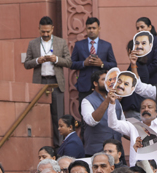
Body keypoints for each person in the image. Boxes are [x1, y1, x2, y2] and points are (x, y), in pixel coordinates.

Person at [24, 16, 72, 146]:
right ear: (39, 29)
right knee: (40, 117)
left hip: (56, 83)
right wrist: (37, 61)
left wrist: (56, 59)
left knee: (58, 118)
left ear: (52, 29)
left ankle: (59, 147)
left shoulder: (61, 42)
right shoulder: (33, 43)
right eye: (43, 32)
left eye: (48, 32)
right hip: (40, 83)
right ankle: (42, 147)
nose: (45, 34)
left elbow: (68, 61)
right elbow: (26, 64)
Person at [107, 96, 157, 167]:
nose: (146, 109)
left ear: (156, 112)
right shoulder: (133, 126)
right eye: (143, 108)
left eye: (149, 107)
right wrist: (112, 104)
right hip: (138, 171)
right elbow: (113, 124)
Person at [71, 17, 117, 108]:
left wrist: (102, 64)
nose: (91, 30)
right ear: (86, 29)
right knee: (84, 112)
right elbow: (71, 64)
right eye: (89, 28)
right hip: (85, 85)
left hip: (102, 84)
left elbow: (114, 65)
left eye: (94, 28)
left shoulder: (107, 45)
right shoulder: (79, 45)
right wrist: (84, 63)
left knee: (103, 111)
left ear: (99, 29)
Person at [81, 69, 124, 156]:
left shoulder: (117, 101)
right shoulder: (87, 101)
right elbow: (91, 121)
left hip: (116, 154)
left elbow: (123, 125)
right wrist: (107, 100)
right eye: (104, 79)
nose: (109, 82)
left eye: (110, 79)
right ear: (95, 83)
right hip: (96, 153)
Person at [135, 18, 157, 84]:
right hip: (141, 81)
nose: (139, 30)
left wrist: (143, 73)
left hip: (154, 80)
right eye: (137, 28)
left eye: (142, 27)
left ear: (149, 27)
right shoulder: (136, 43)